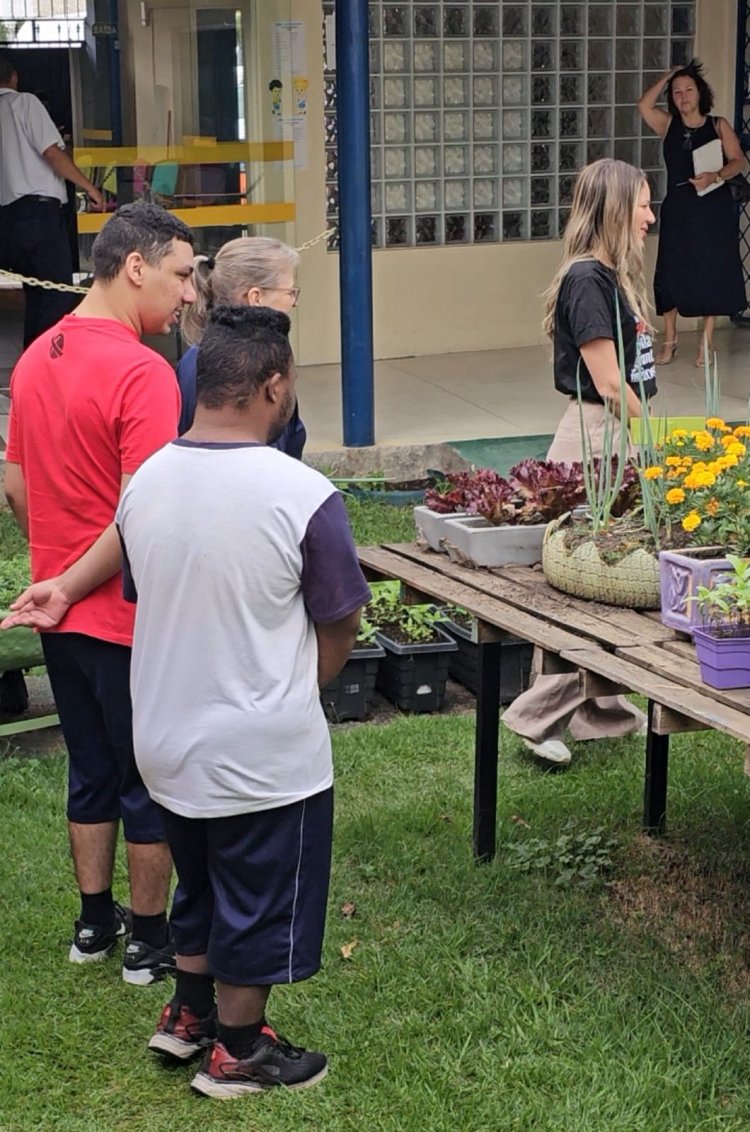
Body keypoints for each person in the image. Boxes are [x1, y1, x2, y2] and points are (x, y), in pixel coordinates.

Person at [116, 305, 370, 1096]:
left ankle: (188, 1014)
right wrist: (296, 691)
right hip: (263, 755)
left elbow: (144, 593)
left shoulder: (144, 484)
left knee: (200, 882)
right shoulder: (302, 494)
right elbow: (341, 621)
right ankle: (238, 1051)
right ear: (273, 386)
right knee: (258, 896)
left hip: (164, 739)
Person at [2, 202, 197, 983]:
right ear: (135, 266)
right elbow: (141, 513)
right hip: (123, 613)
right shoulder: (144, 371)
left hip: (59, 609)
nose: (189, 294)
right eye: (182, 274)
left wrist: (56, 573)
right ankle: (146, 938)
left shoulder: (33, 357)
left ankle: (93, 926)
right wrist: (79, 579)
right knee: (144, 778)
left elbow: (15, 484)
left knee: (89, 769)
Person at [502, 159, 656, 766]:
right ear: (616, 209)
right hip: (599, 436)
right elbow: (611, 385)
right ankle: (536, 717)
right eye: (642, 205)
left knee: (607, 573)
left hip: (611, 432)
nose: (650, 217)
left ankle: (601, 711)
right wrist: (659, 437)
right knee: (585, 581)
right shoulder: (588, 280)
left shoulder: (607, 276)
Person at [638, 58, 746, 367]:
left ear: (700, 93)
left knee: (710, 270)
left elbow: (739, 161)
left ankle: (706, 343)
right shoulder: (669, 125)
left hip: (712, 206)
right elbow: (644, 105)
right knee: (670, 269)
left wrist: (717, 175)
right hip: (679, 207)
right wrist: (668, 76)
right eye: (676, 91)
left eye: (688, 89)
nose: (683, 96)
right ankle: (670, 339)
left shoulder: (717, 125)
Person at [0, 54, 104, 347]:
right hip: (39, 213)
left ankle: (32, 358)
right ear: (15, 77)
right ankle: (49, 359)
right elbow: (52, 153)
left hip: (8, 218)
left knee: (36, 293)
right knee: (58, 293)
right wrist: (90, 188)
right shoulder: (25, 103)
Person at [177, 236, 306, 455]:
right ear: (256, 298)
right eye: (290, 293)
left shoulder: (194, 358)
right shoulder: (249, 367)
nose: (294, 303)